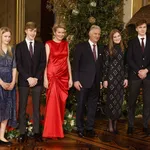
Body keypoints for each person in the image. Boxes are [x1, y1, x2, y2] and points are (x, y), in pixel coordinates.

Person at [15, 22, 46, 143]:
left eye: (34, 31)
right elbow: (19, 64)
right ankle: (22, 133)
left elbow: (43, 63)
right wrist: (28, 78)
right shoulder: (19, 46)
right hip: (24, 81)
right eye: (30, 30)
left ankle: (37, 132)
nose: (33, 33)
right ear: (25, 31)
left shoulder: (40, 46)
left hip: (37, 81)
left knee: (36, 108)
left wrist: (36, 78)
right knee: (22, 108)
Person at [42, 23, 72, 139]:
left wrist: (71, 78)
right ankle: (50, 132)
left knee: (61, 103)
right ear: (54, 32)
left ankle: (58, 131)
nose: (61, 34)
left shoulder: (66, 44)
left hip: (64, 77)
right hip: (53, 76)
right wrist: (45, 78)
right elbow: (45, 62)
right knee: (52, 104)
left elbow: (68, 60)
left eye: (63, 32)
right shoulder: (48, 44)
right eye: (59, 32)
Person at [73, 25, 103, 138]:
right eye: (95, 34)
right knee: (80, 105)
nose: (97, 36)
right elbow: (75, 64)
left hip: (95, 83)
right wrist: (75, 80)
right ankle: (80, 128)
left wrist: (100, 81)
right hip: (82, 82)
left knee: (92, 106)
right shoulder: (81, 47)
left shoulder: (100, 48)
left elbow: (100, 66)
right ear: (90, 34)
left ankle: (89, 128)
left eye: (99, 34)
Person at [127, 19, 150, 136]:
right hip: (134, 76)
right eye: (140, 27)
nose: (142, 29)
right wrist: (138, 71)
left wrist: (146, 70)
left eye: (144, 27)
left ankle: (145, 125)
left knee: (148, 101)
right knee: (131, 101)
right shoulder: (131, 42)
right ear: (136, 29)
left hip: (148, 76)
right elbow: (129, 59)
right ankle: (130, 125)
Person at [103, 29, 128, 134]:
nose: (117, 38)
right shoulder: (108, 49)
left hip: (120, 78)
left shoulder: (124, 49)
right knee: (111, 101)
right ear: (111, 39)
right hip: (111, 78)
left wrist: (126, 78)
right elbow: (105, 65)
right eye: (115, 37)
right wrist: (105, 79)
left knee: (118, 101)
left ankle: (115, 125)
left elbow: (126, 65)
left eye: (118, 36)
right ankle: (110, 125)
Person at [0, 27, 17, 146]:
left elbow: (14, 67)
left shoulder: (12, 49)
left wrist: (13, 82)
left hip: (10, 83)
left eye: (9, 36)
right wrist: (0, 82)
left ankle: (1, 137)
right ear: (1, 36)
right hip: (0, 82)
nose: (7, 38)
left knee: (7, 108)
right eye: (5, 36)